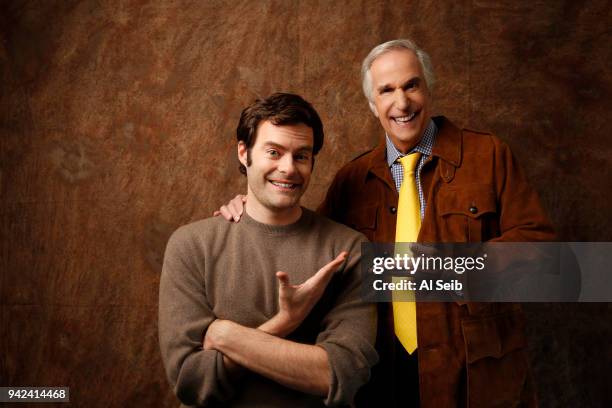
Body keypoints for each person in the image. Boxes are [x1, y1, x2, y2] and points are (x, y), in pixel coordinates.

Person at [216, 39, 555, 407]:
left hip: (477, 378)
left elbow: (543, 253)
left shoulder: (488, 156)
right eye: (387, 90)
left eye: (412, 85)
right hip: (383, 379)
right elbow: (311, 244)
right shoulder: (352, 178)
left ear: (428, 88)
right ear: (372, 104)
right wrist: (254, 208)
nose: (402, 102)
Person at [159, 93, 378, 407]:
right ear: (243, 152)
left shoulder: (349, 248)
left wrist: (227, 336)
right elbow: (191, 380)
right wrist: (285, 322)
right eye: (274, 152)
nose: (288, 168)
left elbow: (339, 375)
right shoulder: (190, 245)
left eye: (301, 156)